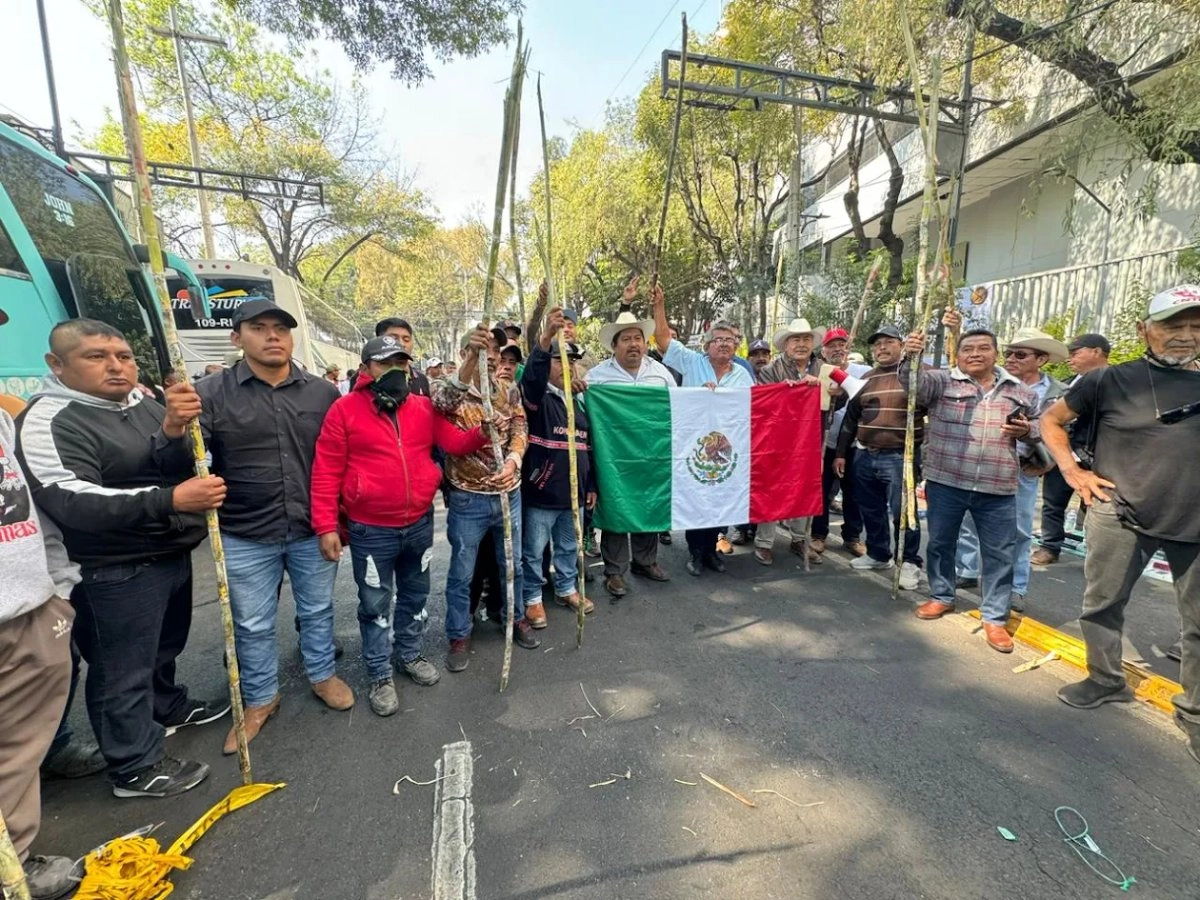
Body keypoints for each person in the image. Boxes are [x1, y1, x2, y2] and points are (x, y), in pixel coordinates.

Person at [16, 319, 224, 797]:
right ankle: (134, 766)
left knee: (161, 648)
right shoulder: (51, 418)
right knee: (120, 668)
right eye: (96, 356)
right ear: (57, 364)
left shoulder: (145, 405)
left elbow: (170, 465)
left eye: (124, 356)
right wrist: (170, 501)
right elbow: (70, 498)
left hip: (167, 551)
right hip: (112, 566)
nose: (116, 366)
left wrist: (172, 432)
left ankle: (166, 705)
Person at [1040, 285, 1200, 760]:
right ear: (1144, 330)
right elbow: (1052, 421)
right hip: (1119, 511)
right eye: (1174, 325)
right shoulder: (1106, 381)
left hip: (1196, 520)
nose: (1185, 336)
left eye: (1196, 326)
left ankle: (1194, 713)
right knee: (1102, 605)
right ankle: (1105, 679)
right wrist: (1073, 471)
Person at [196, 298, 353, 755]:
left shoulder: (322, 394)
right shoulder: (208, 393)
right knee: (252, 623)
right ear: (236, 337)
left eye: (281, 329)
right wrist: (174, 426)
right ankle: (261, 698)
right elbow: (186, 460)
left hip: (311, 527)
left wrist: (338, 518)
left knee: (318, 609)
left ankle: (322, 675)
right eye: (259, 328)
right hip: (245, 531)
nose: (272, 337)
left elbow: (338, 459)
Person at [310, 335, 491, 716]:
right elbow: (325, 471)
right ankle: (379, 673)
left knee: (415, 597)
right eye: (384, 363)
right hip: (370, 529)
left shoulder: (423, 407)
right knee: (375, 604)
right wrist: (326, 525)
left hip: (419, 525)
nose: (395, 370)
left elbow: (455, 444)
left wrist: (483, 432)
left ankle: (409, 654)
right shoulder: (344, 411)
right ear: (364, 370)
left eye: (401, 363)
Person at [901, 316, 1039, 653]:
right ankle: (941, 596)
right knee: (940, 544)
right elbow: (912, 385)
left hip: (998, 486)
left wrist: (1027, 433)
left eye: (983, 348)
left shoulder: (1020, 392)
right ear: (958, 354)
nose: (975, 354)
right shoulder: (942, 382)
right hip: (946, 480)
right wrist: (911, 356)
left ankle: (994, 618)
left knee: (999, 553)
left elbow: (1040, 430)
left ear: (995, 353)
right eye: (967, 349)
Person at [1, 409, 82, 898]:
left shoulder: (2, 419)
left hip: (32, 606)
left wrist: (58, 584)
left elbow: (28, 509)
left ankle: (15, 860)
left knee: (18, 746)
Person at [432, 325, 537, 673]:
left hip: (510, 494)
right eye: (483, 350)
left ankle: (515, 617)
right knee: (462, 571)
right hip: (468, 498)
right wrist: (467, 369)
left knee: (513, 565)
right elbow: (442, 405)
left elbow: (520, 428)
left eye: (494, 352)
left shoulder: (508, 389)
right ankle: (459, 634)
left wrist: (514, 460)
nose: (492, 357)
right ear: (466, 354)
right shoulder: (450, 389)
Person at [652, 283, 754, 576]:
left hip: (729, 451)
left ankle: (712, 551)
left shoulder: (743, 374)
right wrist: (659, 305)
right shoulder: (692, 361)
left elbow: (756, 409)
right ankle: (696, 553)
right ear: (707, 345)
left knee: (721, 500)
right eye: (718, 339)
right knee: (698, 499)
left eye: (729, 340)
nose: (724, 343)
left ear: (736, 346)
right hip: (695, 448)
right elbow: (662, 339)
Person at [586, 283, 676, 598]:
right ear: (615, 345)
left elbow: (678, 410)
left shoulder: (661, 374)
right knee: (616, 510)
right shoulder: (597, 378)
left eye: (638, 338)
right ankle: (614, 571)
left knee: (649, 506)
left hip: (652, 456)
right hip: (614, 458)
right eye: (627, 339)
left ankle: (645, 561)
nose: (634, 344)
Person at [520, 309, 596, 624]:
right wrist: (546, 340)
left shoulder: (579, 402)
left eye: (570, 360)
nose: (565, 366)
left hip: (573, 496)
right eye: (557, 360)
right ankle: (533, 598)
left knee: (569, 546)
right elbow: (532, 376)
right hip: (542, 493)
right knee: (534, 550)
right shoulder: (537, 398)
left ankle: (566, 588)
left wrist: (591, 486)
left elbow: (588, 448)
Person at [835, 325, 926, 590]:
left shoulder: (916, 376)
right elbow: (850, 420)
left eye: (888, 342)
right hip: (865, 454)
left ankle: (909, 560)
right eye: (877, 344)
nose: (882, 348)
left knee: (904, 513)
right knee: (870, 508)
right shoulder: (867, 379)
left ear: (901, 344)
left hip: (900, 457)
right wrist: (841, 453)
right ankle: (878, 553)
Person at [1001, 328, 1069, 612]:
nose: (1011, 359)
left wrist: (1045, 456)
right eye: (1008, 353)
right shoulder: (996, 383)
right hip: (986, 463)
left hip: (1023, 468)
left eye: (1020, 354)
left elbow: (1064, 430)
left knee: (1019, 531)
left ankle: (1016, 587)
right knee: (969, 526)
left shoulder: (1058, 393)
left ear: (1041, 359)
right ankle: (967, 572)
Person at [1033, 333, 1111, 565]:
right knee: (1053, 502)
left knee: (1096, 506)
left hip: (1098, 455)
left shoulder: (1117, 382)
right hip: (1064, 453)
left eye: (1075, 353)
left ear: (1096, 352)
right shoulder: (1066, 384)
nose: (1070, 359)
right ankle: (1049, 547)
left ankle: (1097, 557)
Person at [752, 318, 822, 566]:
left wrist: (823, 388)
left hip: (810, 440)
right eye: (796, 339)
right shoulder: (771, 370)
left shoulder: (822, 368)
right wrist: (785, 390)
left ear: (812, 343)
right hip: (777, 440)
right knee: (771, 488)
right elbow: (762, 403)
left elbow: (837, 401)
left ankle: (800, 539)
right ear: (786, 344)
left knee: (805, 487)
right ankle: (764, 543)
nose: (801, 344)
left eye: (806, 339)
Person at [812, 327, 870, 558]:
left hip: (855, 444)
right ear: (823, 352)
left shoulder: (864, 372)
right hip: (826, 443)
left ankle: (853, 537)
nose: (837, 349)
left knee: (853, 493)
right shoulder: (819, 372)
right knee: (822, 491)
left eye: (841, 345)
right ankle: (818, 535)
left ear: (848, 348)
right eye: (831, 346)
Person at [375, 317, 432, 397]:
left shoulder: (421, 379)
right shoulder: (368, 376)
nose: (401, 344)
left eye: (406, 339)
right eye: (394, 338)